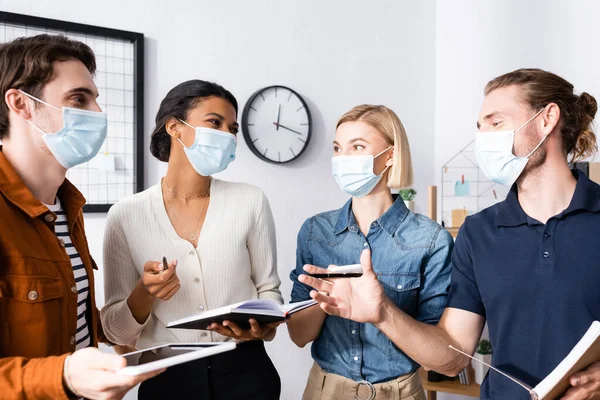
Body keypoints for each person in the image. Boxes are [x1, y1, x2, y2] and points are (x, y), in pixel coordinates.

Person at [300, 69, 600, 400]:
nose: (483, 138)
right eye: (479, 127)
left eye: (495, 123)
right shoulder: (478, 232)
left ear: (548, 119)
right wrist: (383, 313)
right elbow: (454, 356)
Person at [100, 79, 283, 400]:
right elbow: (116, 330)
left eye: (232, 128)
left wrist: (264, 326)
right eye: (215, 122)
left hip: (247, 372)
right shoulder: (125, 214)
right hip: (167, 377)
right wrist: (145, 292)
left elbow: (269, 290)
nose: (227, 134)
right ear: (175, 127)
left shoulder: (250, 200)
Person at [0, 34, 160, 400]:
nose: (98, 115)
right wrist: (66, 378)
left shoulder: (66, 208)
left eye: (95, 100)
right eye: (78, 99)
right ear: (21, 103)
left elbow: (70, 323)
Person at [287, 105, 453, 400]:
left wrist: (382, 312)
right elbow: (299, 336)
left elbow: (438, 356)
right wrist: (325, 298)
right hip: (324, 391)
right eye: (338, 148)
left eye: (357, 147)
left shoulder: (431, 240)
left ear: (390, 155)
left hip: (400, 393)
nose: (342, 158)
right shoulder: (315, 232)